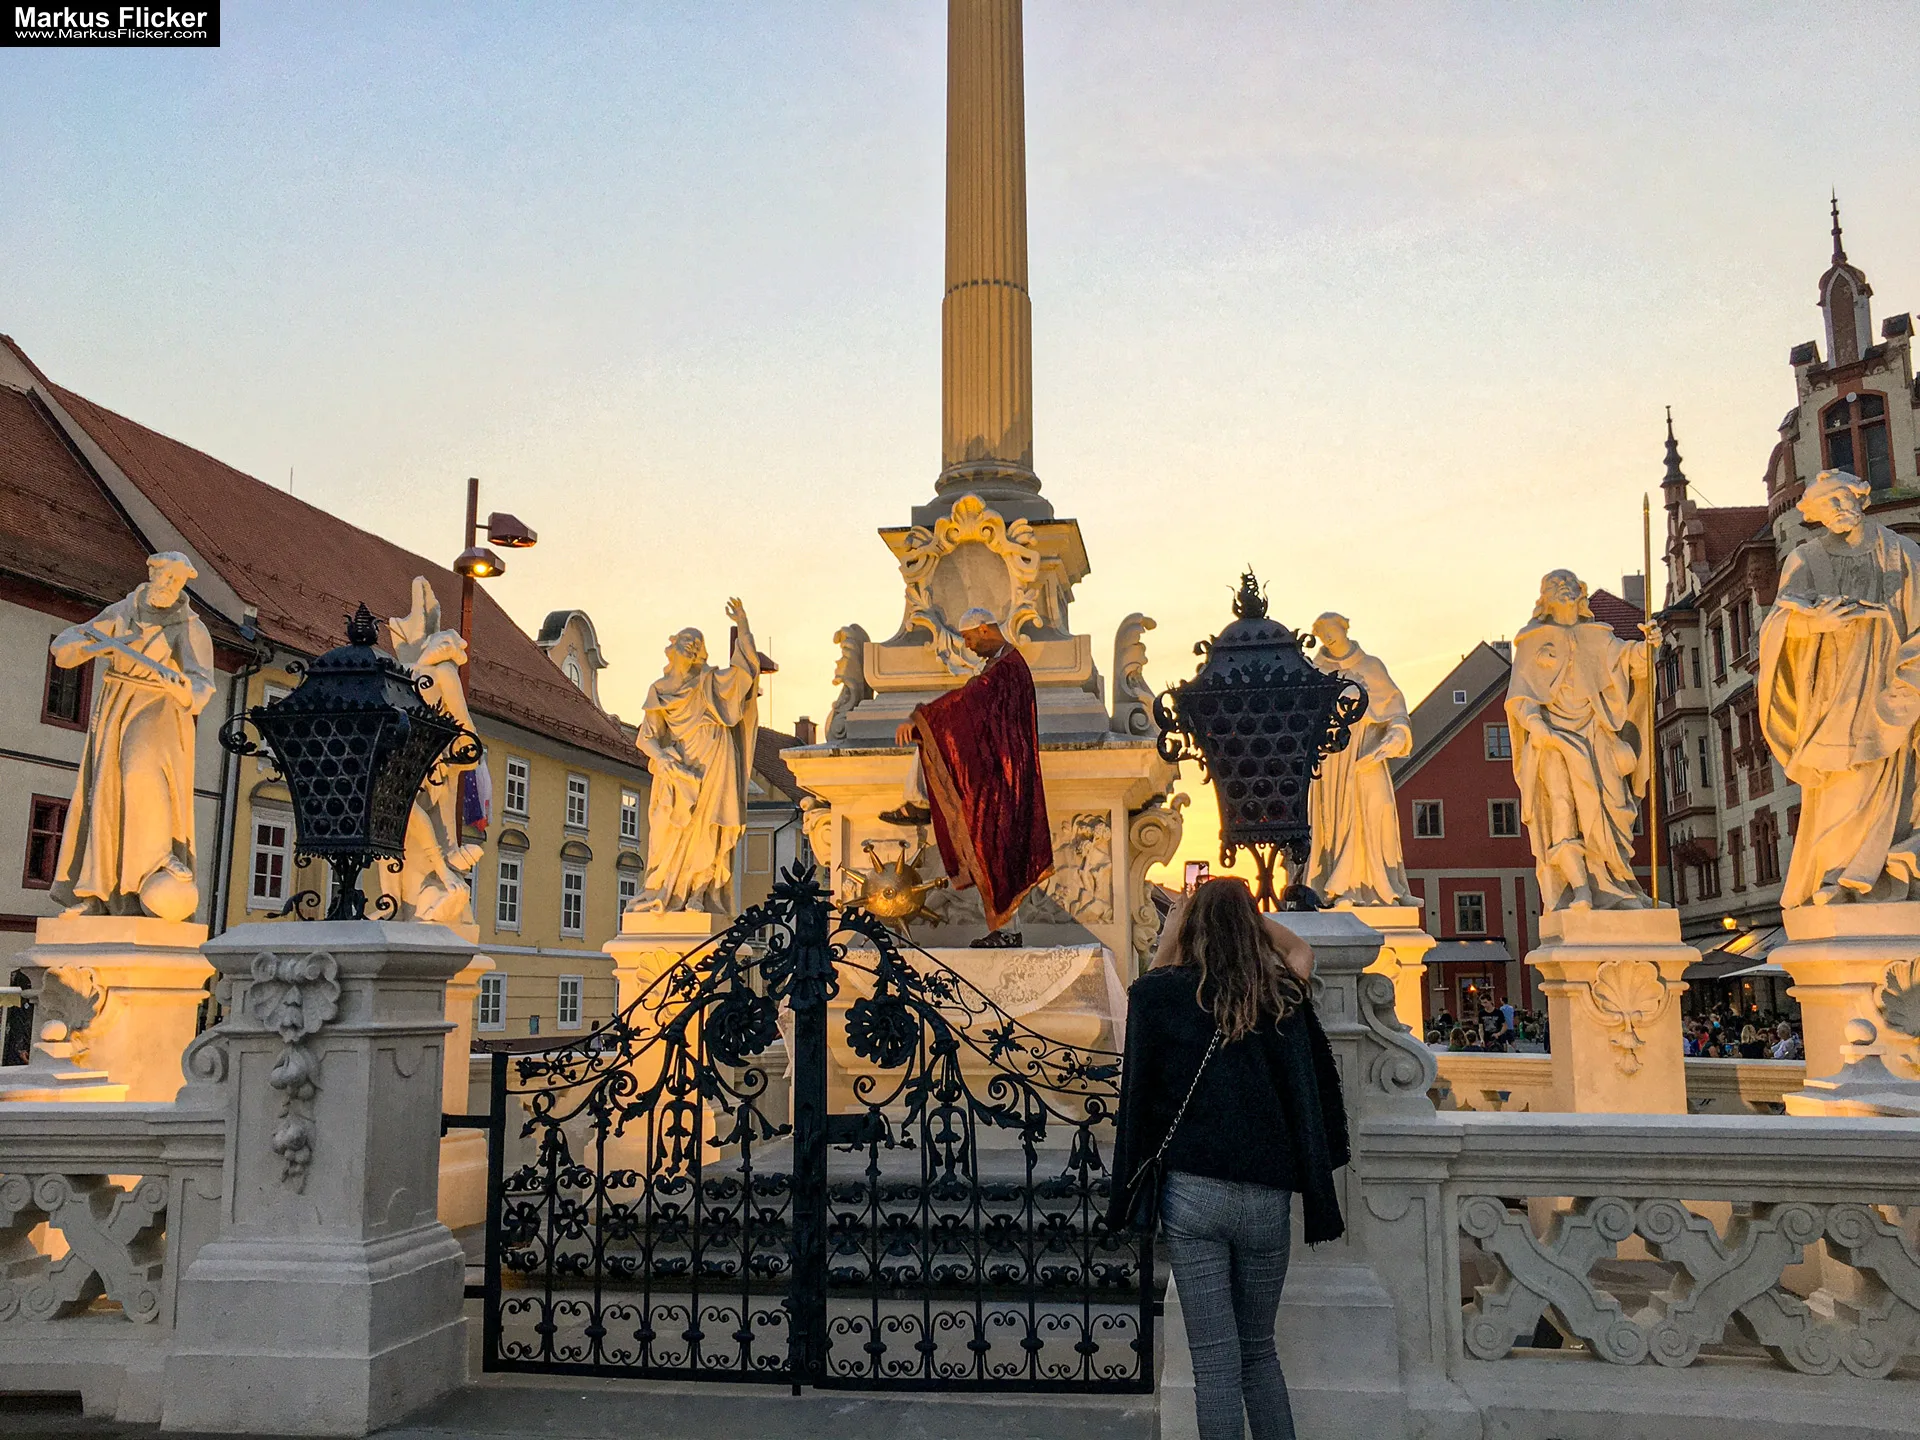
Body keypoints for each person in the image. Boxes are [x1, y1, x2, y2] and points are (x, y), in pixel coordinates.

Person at [1108, 880, 1348, 1440]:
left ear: (1192, 929)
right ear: (1250, 927)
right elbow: (1300, 949)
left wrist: (1181, 921)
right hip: (1265, 1197)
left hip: (1193, 1195)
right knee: (1259, 1351)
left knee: (1215, 1362)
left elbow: (1145, 987)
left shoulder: (1165, 996)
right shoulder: (1280, 996)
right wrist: (1245, 914)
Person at [48, 552, 216, 920]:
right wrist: (86, 645)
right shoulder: (122, 612)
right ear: (152, 573)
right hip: (117, 703)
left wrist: (183, 687)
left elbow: (202, 684)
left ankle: (157, 863)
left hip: (160, 708)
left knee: (141, 773)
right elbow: (66, 647)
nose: (168, 586)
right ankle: (99, 891)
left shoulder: (190, 626)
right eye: (165, 577)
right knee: (105, 793)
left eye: (176, 581)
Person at [881, 608, 1051, 947]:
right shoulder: (1001, 666)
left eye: (970, 638)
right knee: (993, 851)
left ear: (984, 629)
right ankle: (1005, 931)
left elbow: (970, 701)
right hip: (1000, 770)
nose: (968, 646)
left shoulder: (1006, 668)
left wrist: (923, 716)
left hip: (1003, 776)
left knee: (997, 850)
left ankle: (1005, 932)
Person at [1506, 570, 1659, 912]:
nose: (1564, 589)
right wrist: (1535, 724)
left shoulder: (1598, 635)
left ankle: (1618, 885)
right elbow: (1520, 695)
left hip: (1595, 733)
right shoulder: (1532, 639)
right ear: (1545, 598)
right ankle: (1580, 890)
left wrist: (1648, 647)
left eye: (1569, 585)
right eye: (1556, 585)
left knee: (1612, 807)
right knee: (1562, 809)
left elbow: (1629, 660)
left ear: (1580, 594)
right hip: (1553, 738)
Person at [632, 599, 761, 914]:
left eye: (697, 644)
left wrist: (742, 625)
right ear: (673, 648)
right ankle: (664, 890)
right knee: (668, 830)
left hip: (716, 758)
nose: (692, 648)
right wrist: (661, 757)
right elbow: (646, 737)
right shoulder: (659, 689)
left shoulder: (710, 681)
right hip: (678, 769)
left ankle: (699, 893)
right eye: (687, 642)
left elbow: (746, 672)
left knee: (709, 829)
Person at [1303, 614, 1416, 905]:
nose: (1328, 636)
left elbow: (1396, 710)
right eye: (1321, 633)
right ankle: (1342, 888)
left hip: (1367, 750)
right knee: (1337, 818)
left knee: (1379, 808)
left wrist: (1397, 733)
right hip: (1332, 756)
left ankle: (1385, 887)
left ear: (1344, 628)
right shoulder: (1315, 671)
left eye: (1331, 629)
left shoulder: (1371, 666)